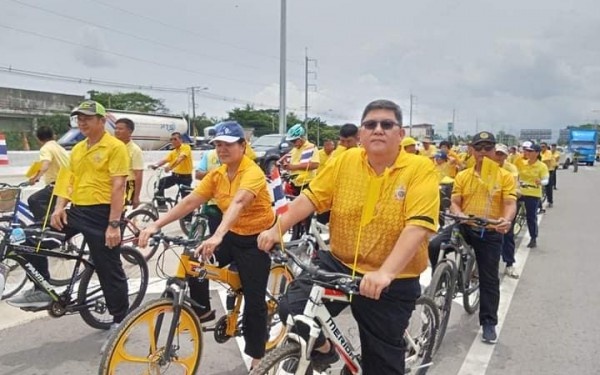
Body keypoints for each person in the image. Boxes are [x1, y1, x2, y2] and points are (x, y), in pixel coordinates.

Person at [258, 99, 440, 374]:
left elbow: (417, 225)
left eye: (387, 124)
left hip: (392, 277)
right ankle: (325, 351)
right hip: (341, 262)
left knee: (381, 366)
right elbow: (311, 198)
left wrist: (385, 273)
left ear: (400, 134)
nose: (378, 129)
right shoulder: (345, 160)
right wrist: (276, 229)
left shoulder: (419, 168)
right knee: (292, 307)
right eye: (370, 124)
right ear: (361, 134)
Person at [139, 121, 274, 370]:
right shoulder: (217, 175)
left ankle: (258, 358)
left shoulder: (252, 172)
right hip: (231, 235)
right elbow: (191, 201)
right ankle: (203, 312)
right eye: (218, 145)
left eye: (228, 144)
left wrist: (217, 235)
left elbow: (239, 203)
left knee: (255, 304)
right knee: (193, 260)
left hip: (255, 240)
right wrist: (155, 225)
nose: (222, 149)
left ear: (243, 146)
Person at [9, 101, 131, 334]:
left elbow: (118, 186)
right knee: (32, 238)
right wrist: (58, 208)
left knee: (108, 270)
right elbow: (67, 181)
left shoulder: (115, 147)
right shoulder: (77, 149)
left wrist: (114, 224)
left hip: (103, 214)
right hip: (77, 211)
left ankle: (120, 320)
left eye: (87, 118)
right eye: (79, 118)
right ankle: (42, 288)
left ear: (101, 121)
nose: (82, 122)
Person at [430, 132, 516, 345]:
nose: (483, 152)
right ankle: (441, 282)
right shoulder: (463, 175)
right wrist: (458, 212)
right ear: (472, 150)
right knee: (434, 245)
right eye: (479, 148)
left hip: (490, 230)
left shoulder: (504, 176)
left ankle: (488, 322)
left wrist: (505, 221)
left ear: (495, 151)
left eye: (488, 148)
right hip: (465, 226)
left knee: (489, 278)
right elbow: (455, 201)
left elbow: (509, 204)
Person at [27, 126, 69, 222]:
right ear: (53, 136)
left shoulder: (46, 148)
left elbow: (45, 164)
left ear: (38, 139)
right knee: (49, 208)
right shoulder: (59, 148)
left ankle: (45, 227)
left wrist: (34, 178)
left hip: (57, 185)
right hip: (66, 185)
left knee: (33, 200)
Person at [515, 141, 549, 248]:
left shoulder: (541, 166)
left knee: (531, 216)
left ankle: (533, 237)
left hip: (533, 193)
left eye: (531, 151)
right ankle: (509, 234)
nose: (528, 153)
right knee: (512, 213)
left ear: (537, 153)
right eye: (527, 151)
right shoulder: (522, 163)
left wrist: (541, 182)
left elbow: (545, 180)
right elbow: (516, 175)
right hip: (520, 192)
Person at [494, 144, 520, 279]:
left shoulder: (511, 168)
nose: (498, 157)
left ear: (506, 156)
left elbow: (513, 185)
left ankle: (509, 264)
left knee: (507, 235)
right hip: (489, 206)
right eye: (497, 153)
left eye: (501, 154)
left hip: (505, 204)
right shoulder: (487, 167)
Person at [150, 132, 193, 212]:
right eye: (171, 139)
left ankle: (188, 220)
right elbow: (165, 160)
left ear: (181, 140)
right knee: (159, 184)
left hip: (185, 178)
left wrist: (170, 167)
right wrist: (156, 165)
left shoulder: (186, 147)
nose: (173, 141)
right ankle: (162, 205)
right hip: (175, 176)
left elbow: (180, 159)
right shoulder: (173, 152)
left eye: (175, 139)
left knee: (186, 200)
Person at [278, 124, 319, 195]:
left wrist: (292, 167)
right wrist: (282, 162)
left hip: (306, 184)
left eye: (294, 141)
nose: (293, 143)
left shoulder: (310, 147)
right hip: (295, 183)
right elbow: (286, 158)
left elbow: (315, 165)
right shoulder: (295, 149)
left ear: (300, 138)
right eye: (292, 142)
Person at [114, 118, 144, 208]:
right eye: (116, 128)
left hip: (127, 185)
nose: (117, 131)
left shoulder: (135, 150)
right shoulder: (113, 147)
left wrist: (136, 197)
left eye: (120, 129)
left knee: (119, 210)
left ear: (130, 131)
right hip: (113, 183)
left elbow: (138, 174)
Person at [195, 148, 222, 234]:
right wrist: (215, 174)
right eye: (219, 144)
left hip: (233, 205)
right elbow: (198, 175)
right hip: (213, 203)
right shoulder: (209, 154)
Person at [540, 142, 556, 208]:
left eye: (543, 146)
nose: (542, 148)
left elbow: (546, 160)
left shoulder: (548, 152)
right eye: (541, 146)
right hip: (541, 170)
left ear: (546, 147)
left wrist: (539, 160)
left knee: (548, 186)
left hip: (549, 170)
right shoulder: (540, 153)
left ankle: (550, 201)